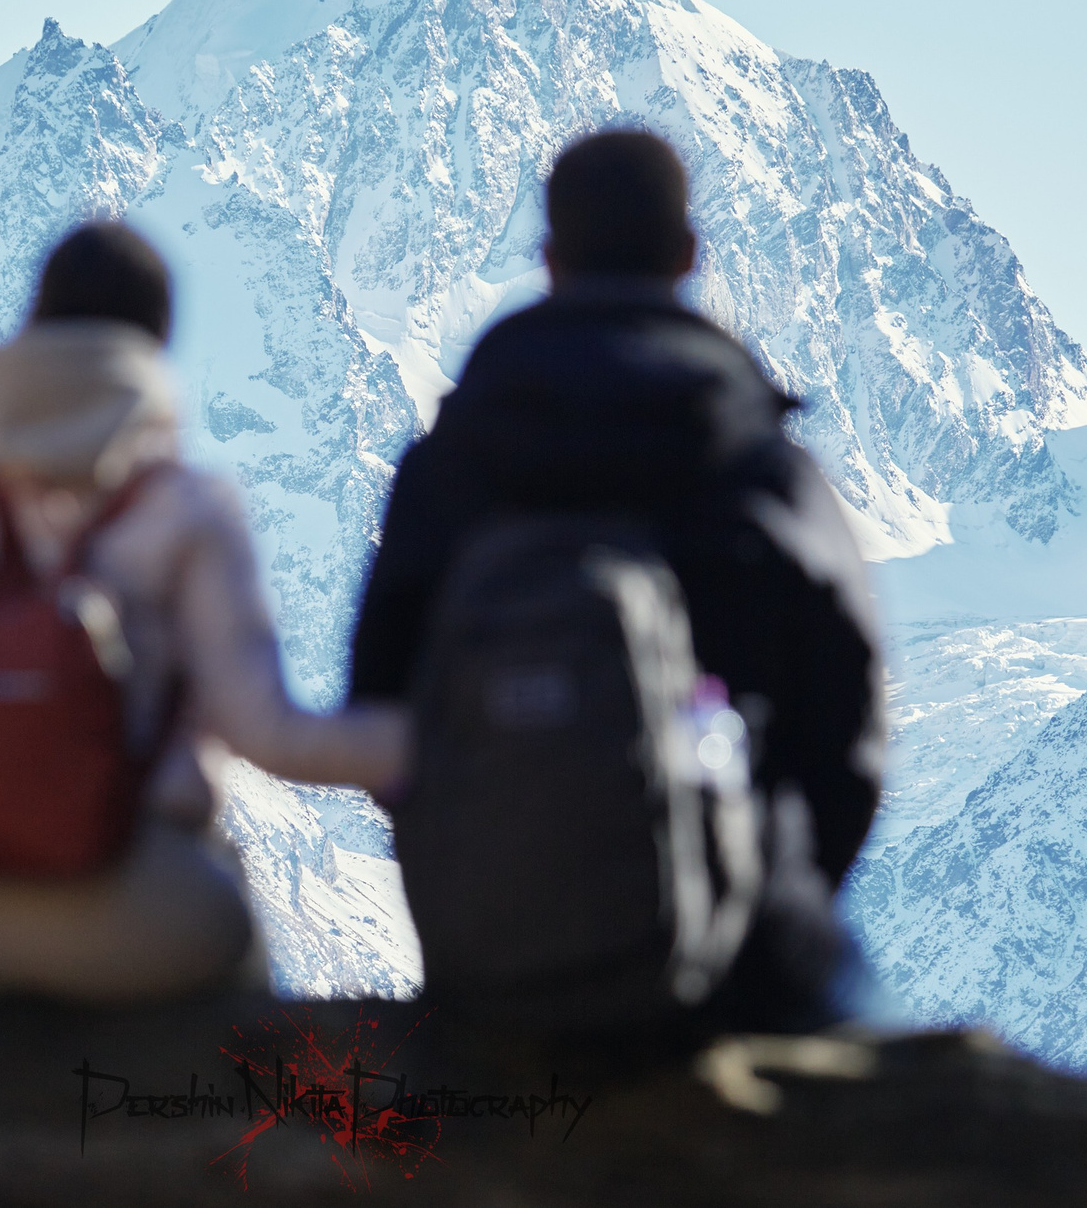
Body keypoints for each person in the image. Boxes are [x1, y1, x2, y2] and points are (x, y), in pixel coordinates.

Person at [349, 127, 885, 1033]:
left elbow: (378, 711)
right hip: (738, 969)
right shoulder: (765, 467)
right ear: (689, 255)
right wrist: (748, 888)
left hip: (493, 954)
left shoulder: (449, 468)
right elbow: (849, 741)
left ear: (550, 257)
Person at [0, 221, 409, 1001]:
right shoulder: (186, 507)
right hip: (126, 911)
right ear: (157, 344)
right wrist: (426, 743)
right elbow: (267, 732)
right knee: (252, 1030)